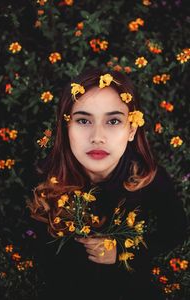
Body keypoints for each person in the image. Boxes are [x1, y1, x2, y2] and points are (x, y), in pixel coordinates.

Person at [26, 68, 187, 300]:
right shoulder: (47, 180)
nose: (97, 136)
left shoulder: (146, 178)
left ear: (131, 130)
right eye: (83, 120)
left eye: (113, 121)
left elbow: (175, 229)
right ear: (66, 128)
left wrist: (122, 250)